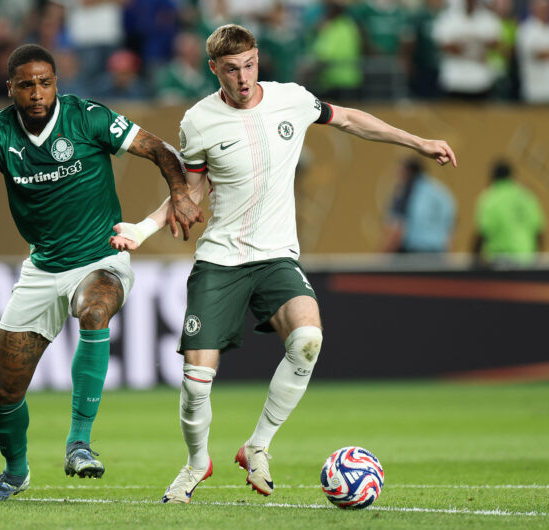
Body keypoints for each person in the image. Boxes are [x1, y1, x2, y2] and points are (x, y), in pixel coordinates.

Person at [109, 23, 456, 504]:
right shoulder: (198, 121)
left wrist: (417, 141)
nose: (244, 77)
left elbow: (351, 119)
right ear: (214, 70)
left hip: (276, 256)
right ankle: (195, 464)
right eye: (232, 69)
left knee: (308, 338)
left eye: (250, 65)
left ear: (258, 61)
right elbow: (190, 192)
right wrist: (142, 230)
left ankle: (258, 445)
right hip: (221, 259)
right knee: (196, 382)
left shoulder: (291, 98)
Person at [0, 44, 202, 502]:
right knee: (5, 387)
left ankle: (79, 443)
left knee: (95, 309)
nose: (37, 92)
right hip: (42, 269)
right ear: (11, 89)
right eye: (26, 85)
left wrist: (180, 193)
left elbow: (159, 149)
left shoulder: (88, 118)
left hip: (101, 258)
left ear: (56, 82)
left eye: (45, 82)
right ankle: (14, 474)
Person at [473, 160, 545, 266]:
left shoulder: (490, 198)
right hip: (527, 261)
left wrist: (474, 261)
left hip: (499, 263)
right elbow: (539, 232)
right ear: (512, 176)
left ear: (492, 177)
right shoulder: (528, 197)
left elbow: (482, 233)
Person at [382, 157, 457, 253]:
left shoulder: (408, 192)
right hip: (438, 256)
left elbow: (396, 230)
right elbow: (451, 231)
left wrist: (380, 261)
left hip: (413, 256)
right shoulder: (441, 193)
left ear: (407, 173)